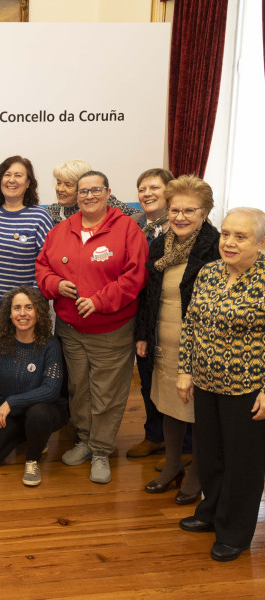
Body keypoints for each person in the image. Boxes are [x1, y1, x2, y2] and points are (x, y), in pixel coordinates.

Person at [35, 170, 148, 484]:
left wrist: (99, 301)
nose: (88, 196)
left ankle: (101, 450)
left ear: (108, 192)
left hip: (111, 328)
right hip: (70, 329)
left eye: (95, 190)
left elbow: (134, 277)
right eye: (83, 191)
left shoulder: (127, 229)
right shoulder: (61, 230)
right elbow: (42, 265)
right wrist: (55, 284)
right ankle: (85, 439)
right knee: (79, 389)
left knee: (107, 393)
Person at [177, 207, 265, 562]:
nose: (228, 242)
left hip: (247, 387)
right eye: (226, 233)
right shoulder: (209, 272)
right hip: (207, 382)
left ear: (260, 243)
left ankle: (235, 532)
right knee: (210, 454)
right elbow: (191, 324)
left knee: (243, 462)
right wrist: (185, 370)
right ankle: (211, 511)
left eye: (239, 236)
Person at [135, 175, 219, 504]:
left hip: (198, 344)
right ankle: (172, 466)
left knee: (197, 411)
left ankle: (196, 472)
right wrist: (143, 334)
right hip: (163, 340)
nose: (180, 217)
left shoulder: (214, 247)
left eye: (189, 211)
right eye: (174, 210)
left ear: (204, 212)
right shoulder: (160, 245)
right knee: (169, 406)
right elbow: (149, 295)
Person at [0, 286, 66, 486]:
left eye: (29, 307)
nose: (22, 313)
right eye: (17, 308)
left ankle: (33, 459)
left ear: (38, 313)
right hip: (13, 415)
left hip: (46, 410)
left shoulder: (50, 345)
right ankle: (32, 436)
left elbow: (51, 389)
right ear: (9, 314)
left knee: (38, 414)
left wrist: (11, 402)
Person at [126, 167, 181, 461]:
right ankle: (154, 436)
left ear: (169, 191)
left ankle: (185, 445)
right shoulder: (132, 224)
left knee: (175, 377)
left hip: (173, 313)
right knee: (147, 376)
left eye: (154, 188)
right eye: (142, 189)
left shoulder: (182, 225)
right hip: (141, 313)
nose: (147, 194)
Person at [0, 156, 52, 346]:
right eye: (7, 174)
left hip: (28, 306)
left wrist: (28, 301)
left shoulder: (39, 216)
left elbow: (48, 262)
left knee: (29, 354)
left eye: (18, 175)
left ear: (28, 183)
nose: (11, 180)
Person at [46, 159, 139, 225]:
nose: (60, 189)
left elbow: (139, 217)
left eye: (68, 185)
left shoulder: (106, 204)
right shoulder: (51, 212)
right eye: (58, 183)